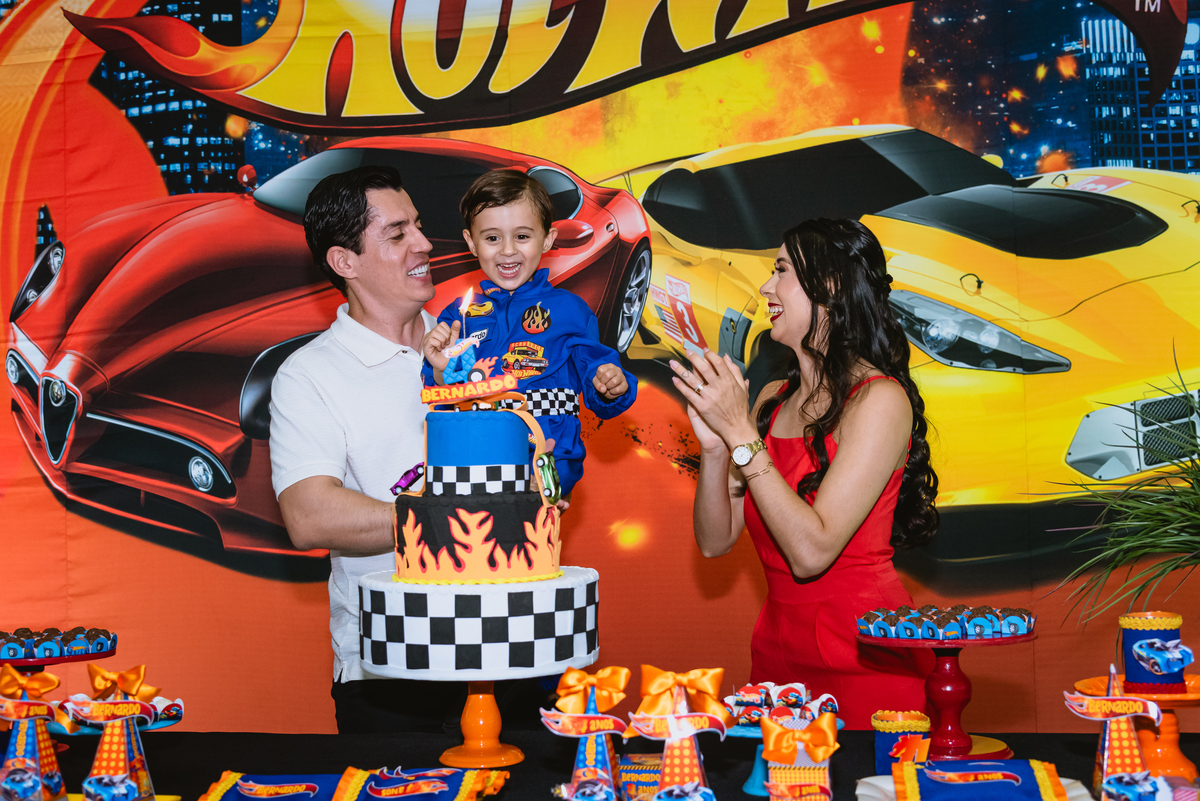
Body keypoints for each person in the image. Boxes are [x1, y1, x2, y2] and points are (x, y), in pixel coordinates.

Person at [671, 218, 938, 729]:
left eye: (781, 270)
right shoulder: (772, 400)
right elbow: (714, 540)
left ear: (830, 285)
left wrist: (742, 438)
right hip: (779, 656)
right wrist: (713, 448)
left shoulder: (879, 400)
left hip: (866, 655)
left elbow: (812, 552)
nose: (767, 287)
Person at [268, 164, 466, 733]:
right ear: (344, 262)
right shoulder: (309, 375)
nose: (425, 245)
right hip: (390, 672)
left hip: (510, 647)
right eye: (397, 233)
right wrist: (453, 518)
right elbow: (309, 516)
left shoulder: (476, 343)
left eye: (420, 226)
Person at [422, 169, 637, 506]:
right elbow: (440, 390)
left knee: (528, 540)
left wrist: (611, 384)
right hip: (473, 457)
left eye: (522, 236)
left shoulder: (570, 311)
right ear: (470, 242)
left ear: (548, 239)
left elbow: (600, 388)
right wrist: (440, 368)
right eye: (492, 238)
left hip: (547, 457)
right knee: (472, 546)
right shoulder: (458, 316)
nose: (507, 251)